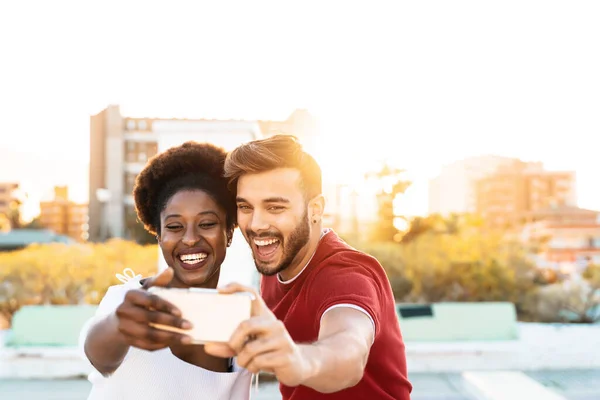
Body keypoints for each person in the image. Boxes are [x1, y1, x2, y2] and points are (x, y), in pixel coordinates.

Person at [204, 135, 412, 399]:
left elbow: (349, 348)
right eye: (245, 207)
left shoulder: (346, 274)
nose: (256, 224)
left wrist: (299, 361)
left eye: (275, 207)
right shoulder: (278, 261)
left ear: (315, 209)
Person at [79, 141, 252, 400]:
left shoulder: (240, 316)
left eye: (206, 223)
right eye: (174, 227)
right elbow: (100, 357)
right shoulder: (128, 301)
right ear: (158, 235)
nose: (190, 238)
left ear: (229, 233)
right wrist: (119, 324)